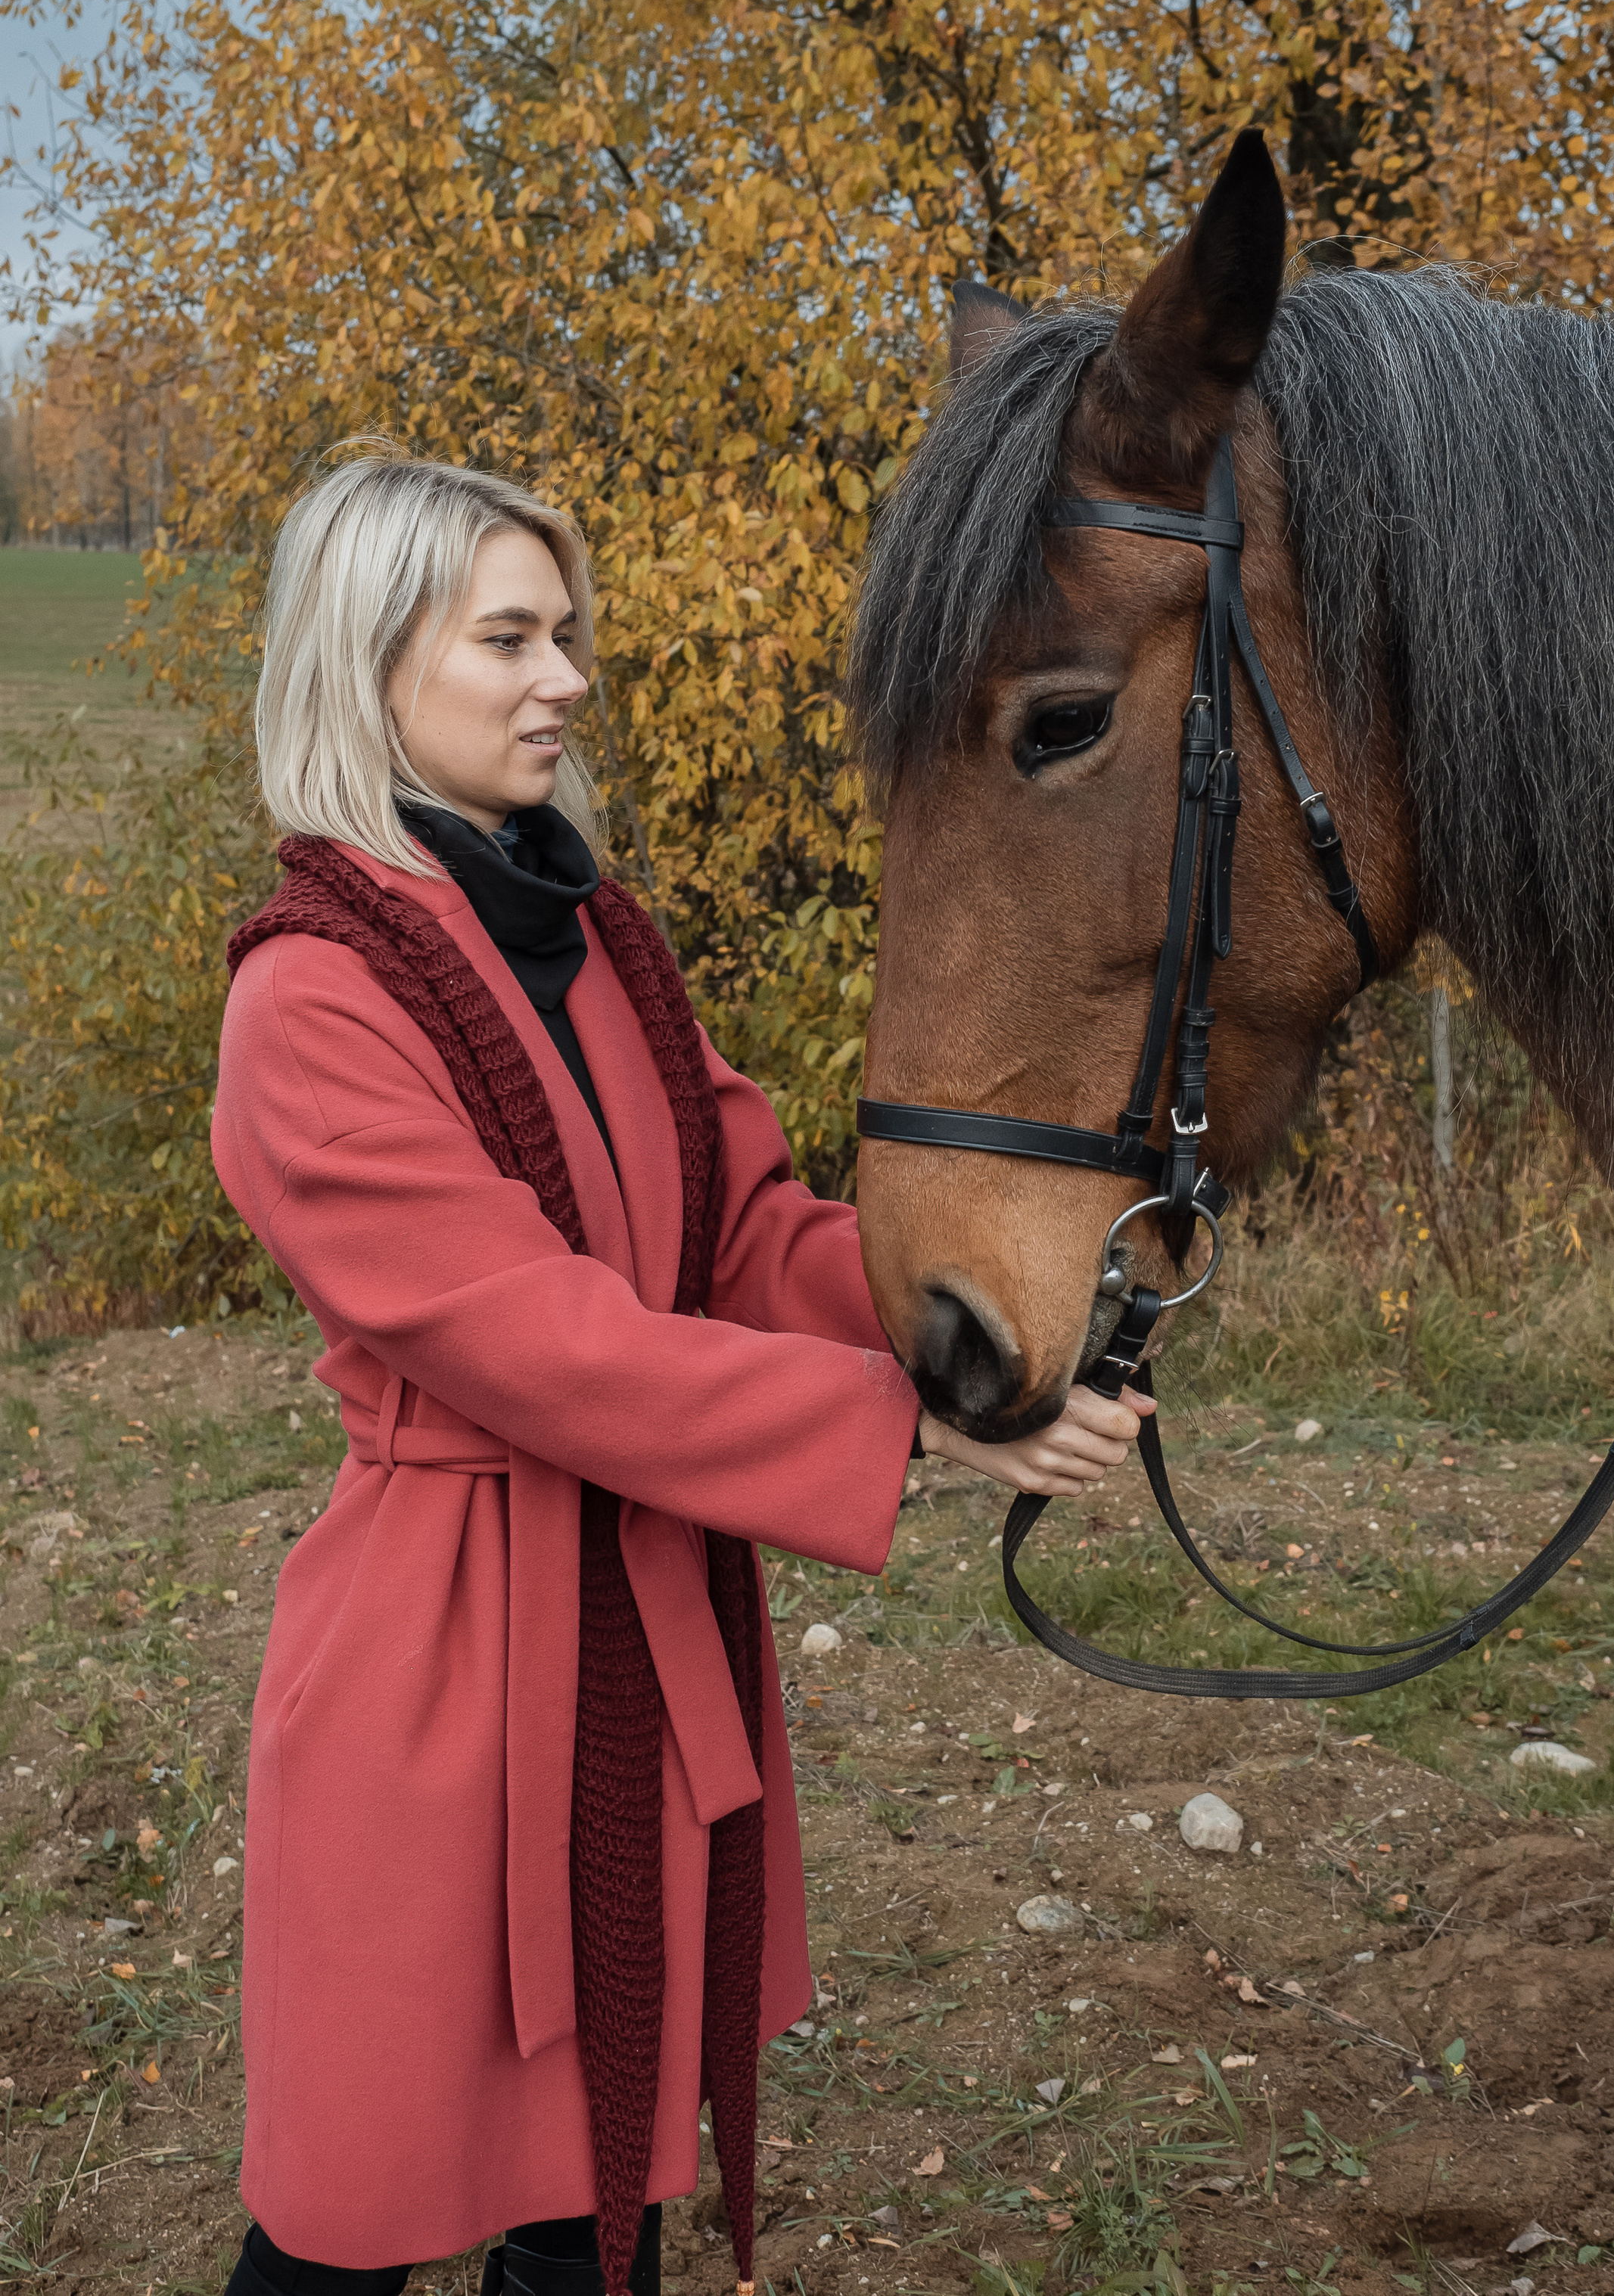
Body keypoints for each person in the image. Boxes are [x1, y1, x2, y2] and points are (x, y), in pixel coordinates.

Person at [210, 446, 1150, 2296]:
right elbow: (535, 1344)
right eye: (509, 636)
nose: (564, 675)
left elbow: (744, 1239)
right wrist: (909, 1439)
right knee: (347, 2220)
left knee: (594, 2198)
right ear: (370, 659)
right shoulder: (309, 997)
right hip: (438, 1682)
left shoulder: (605, 945)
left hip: (638, 1638)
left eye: (564, 633)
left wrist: (974, 1329)